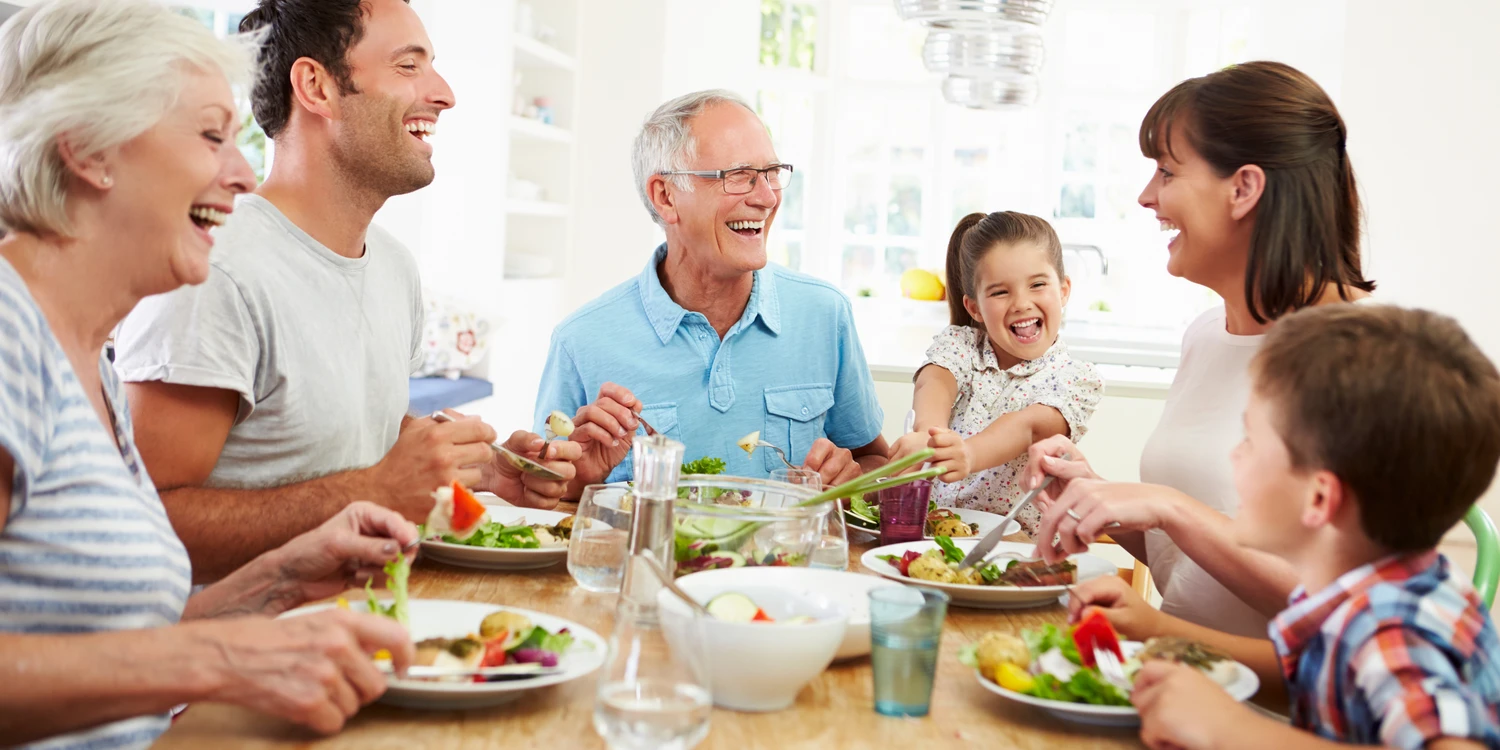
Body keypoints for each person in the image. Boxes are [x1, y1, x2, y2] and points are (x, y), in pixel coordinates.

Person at [0, 2, 418, 747]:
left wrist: (277, 582)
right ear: (89, 151)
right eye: (209, 136)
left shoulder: (87, 361)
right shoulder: (9, 336)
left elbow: (117, 647)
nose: (243, 176)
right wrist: (223, 659)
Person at [113, 0, 581, 583]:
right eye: (408, 66)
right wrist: (373, 490)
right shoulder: (215, 271)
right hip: (246, 633)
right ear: (317, 87)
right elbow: (143, 523)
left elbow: (351, 435)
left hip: (370, 615)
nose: (444, 94)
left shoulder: (394, 267)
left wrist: (482, 472)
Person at [1024, 61, 1375, 638]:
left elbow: (1345, 619)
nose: (1146, 196)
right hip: (1175, 677)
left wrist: (1170, 507)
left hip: (1252, 692)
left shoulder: (1365, 359)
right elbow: (1190, 568)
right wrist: (1101, 496)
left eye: (1166, 171)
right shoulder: (1207, 334)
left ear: (1243, 189)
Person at [1069, 305, 1500, 750]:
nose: (1234, 455)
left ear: (1319, 499)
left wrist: (1231, 729)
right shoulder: (1363, 593)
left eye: (1250, 441)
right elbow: (1308, 681)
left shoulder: (1392, 629)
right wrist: (1154, 628)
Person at [535, 90, 888, 495]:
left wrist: (854, 480)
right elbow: (546, 493)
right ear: (666, 196)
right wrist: (577, 481)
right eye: (738, 175)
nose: (767, 197)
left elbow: (876, 461)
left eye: (771, 172)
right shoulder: (581, 341)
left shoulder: (824, 314)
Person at [887, 211, 1102, 535]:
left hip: (1018, 550)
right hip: (936, 538)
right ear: (974, 307)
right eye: (1001, 292)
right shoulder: (962, 345)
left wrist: (968, 454)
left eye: (1037, 285)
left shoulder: (1075, 378)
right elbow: (935, 382)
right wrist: (930, 436)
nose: (1021, 303)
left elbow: (1028, 426)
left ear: (1063, 290)